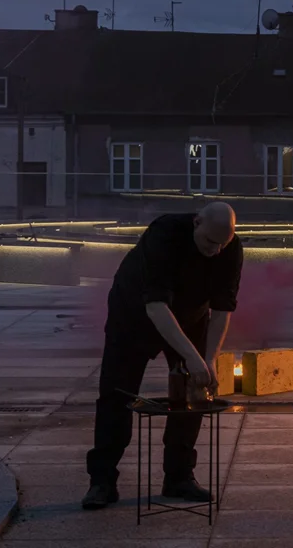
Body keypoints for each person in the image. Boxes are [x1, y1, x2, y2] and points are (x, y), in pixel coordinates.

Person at [82, 202, 243, 509]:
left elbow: (222, 311)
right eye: (210, 242)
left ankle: (179, 478)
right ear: (197, 223)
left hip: (190, 318)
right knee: (116, 394)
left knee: (193, 395)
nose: (216, 251)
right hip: (133, 316)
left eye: (224, 244)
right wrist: (193, 359)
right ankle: (102, 481)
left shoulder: (230, 249)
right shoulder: (164, 233)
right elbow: (156, 308)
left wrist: (208, 360)